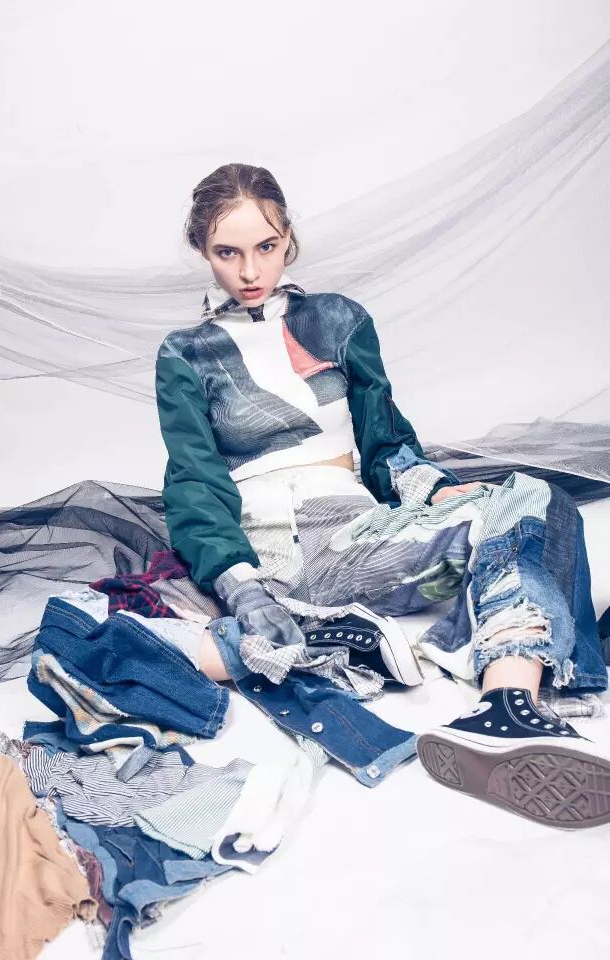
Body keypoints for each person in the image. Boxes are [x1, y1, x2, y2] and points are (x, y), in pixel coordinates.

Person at [155, 162, 610, 828]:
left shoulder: (338, 320)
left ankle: (507, 703)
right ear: (203, 250)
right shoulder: (186, 354)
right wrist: (244, 590)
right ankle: (522, 694)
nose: (250, 270)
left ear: (288, 239)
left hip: (365, 529)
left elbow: (385, 440)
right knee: (525, 532)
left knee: (535, 500)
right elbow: (194, 484)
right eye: (228, 252)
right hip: (291, 546)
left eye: (266, 246)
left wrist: (436, 491)